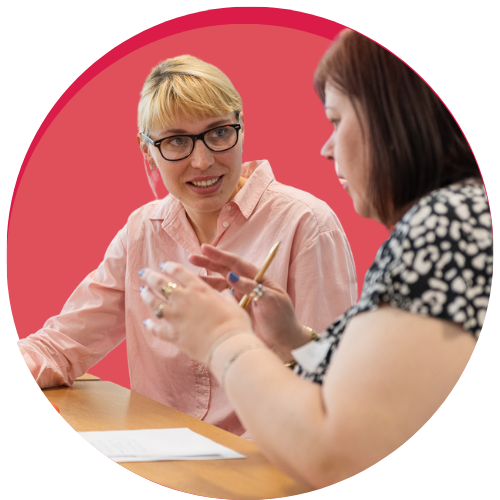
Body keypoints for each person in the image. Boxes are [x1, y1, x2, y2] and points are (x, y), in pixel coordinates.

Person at [138, 30, 493, 487]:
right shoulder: (453, 217)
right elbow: (378, 382)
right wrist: (293, 339)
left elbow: (334, 452)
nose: (327, 148)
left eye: (336, 119)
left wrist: (221, 337)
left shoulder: (446, 224)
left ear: (390, 124)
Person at [16, 55, 358, 438]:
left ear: (241, 128)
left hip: (269, 465)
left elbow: (337, 383)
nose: (202, 161)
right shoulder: (142, 230)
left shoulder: (306, 224)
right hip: (161, 462)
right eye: (176, 141)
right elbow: (60, 346)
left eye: (218, 133)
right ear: (147, 151)